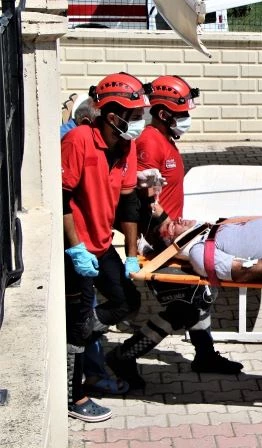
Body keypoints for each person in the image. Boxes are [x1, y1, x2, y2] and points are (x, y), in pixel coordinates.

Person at [105, 75, 244, 390]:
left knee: (200, 295)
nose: (187, 119)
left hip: (171, 237)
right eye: (181, 114)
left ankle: (205, 354)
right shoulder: (149, 142)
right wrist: (162, 227)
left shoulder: (163, 139)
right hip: (159, 243)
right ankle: (125, 354)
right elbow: (136, 199)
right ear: (164, 114)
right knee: (186, 306)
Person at [62, 72, 149, 422]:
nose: (141, 121)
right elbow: (62, 196)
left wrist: (130, 254)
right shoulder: (79, 140)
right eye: (136, 115)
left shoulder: (126, 146)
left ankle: (85, 332)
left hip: (102, 244)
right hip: (77, 248)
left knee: (128, 300)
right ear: (113, 116)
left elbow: (128, 204)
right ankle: (76, 396)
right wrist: (75, 248)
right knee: (77, 325)